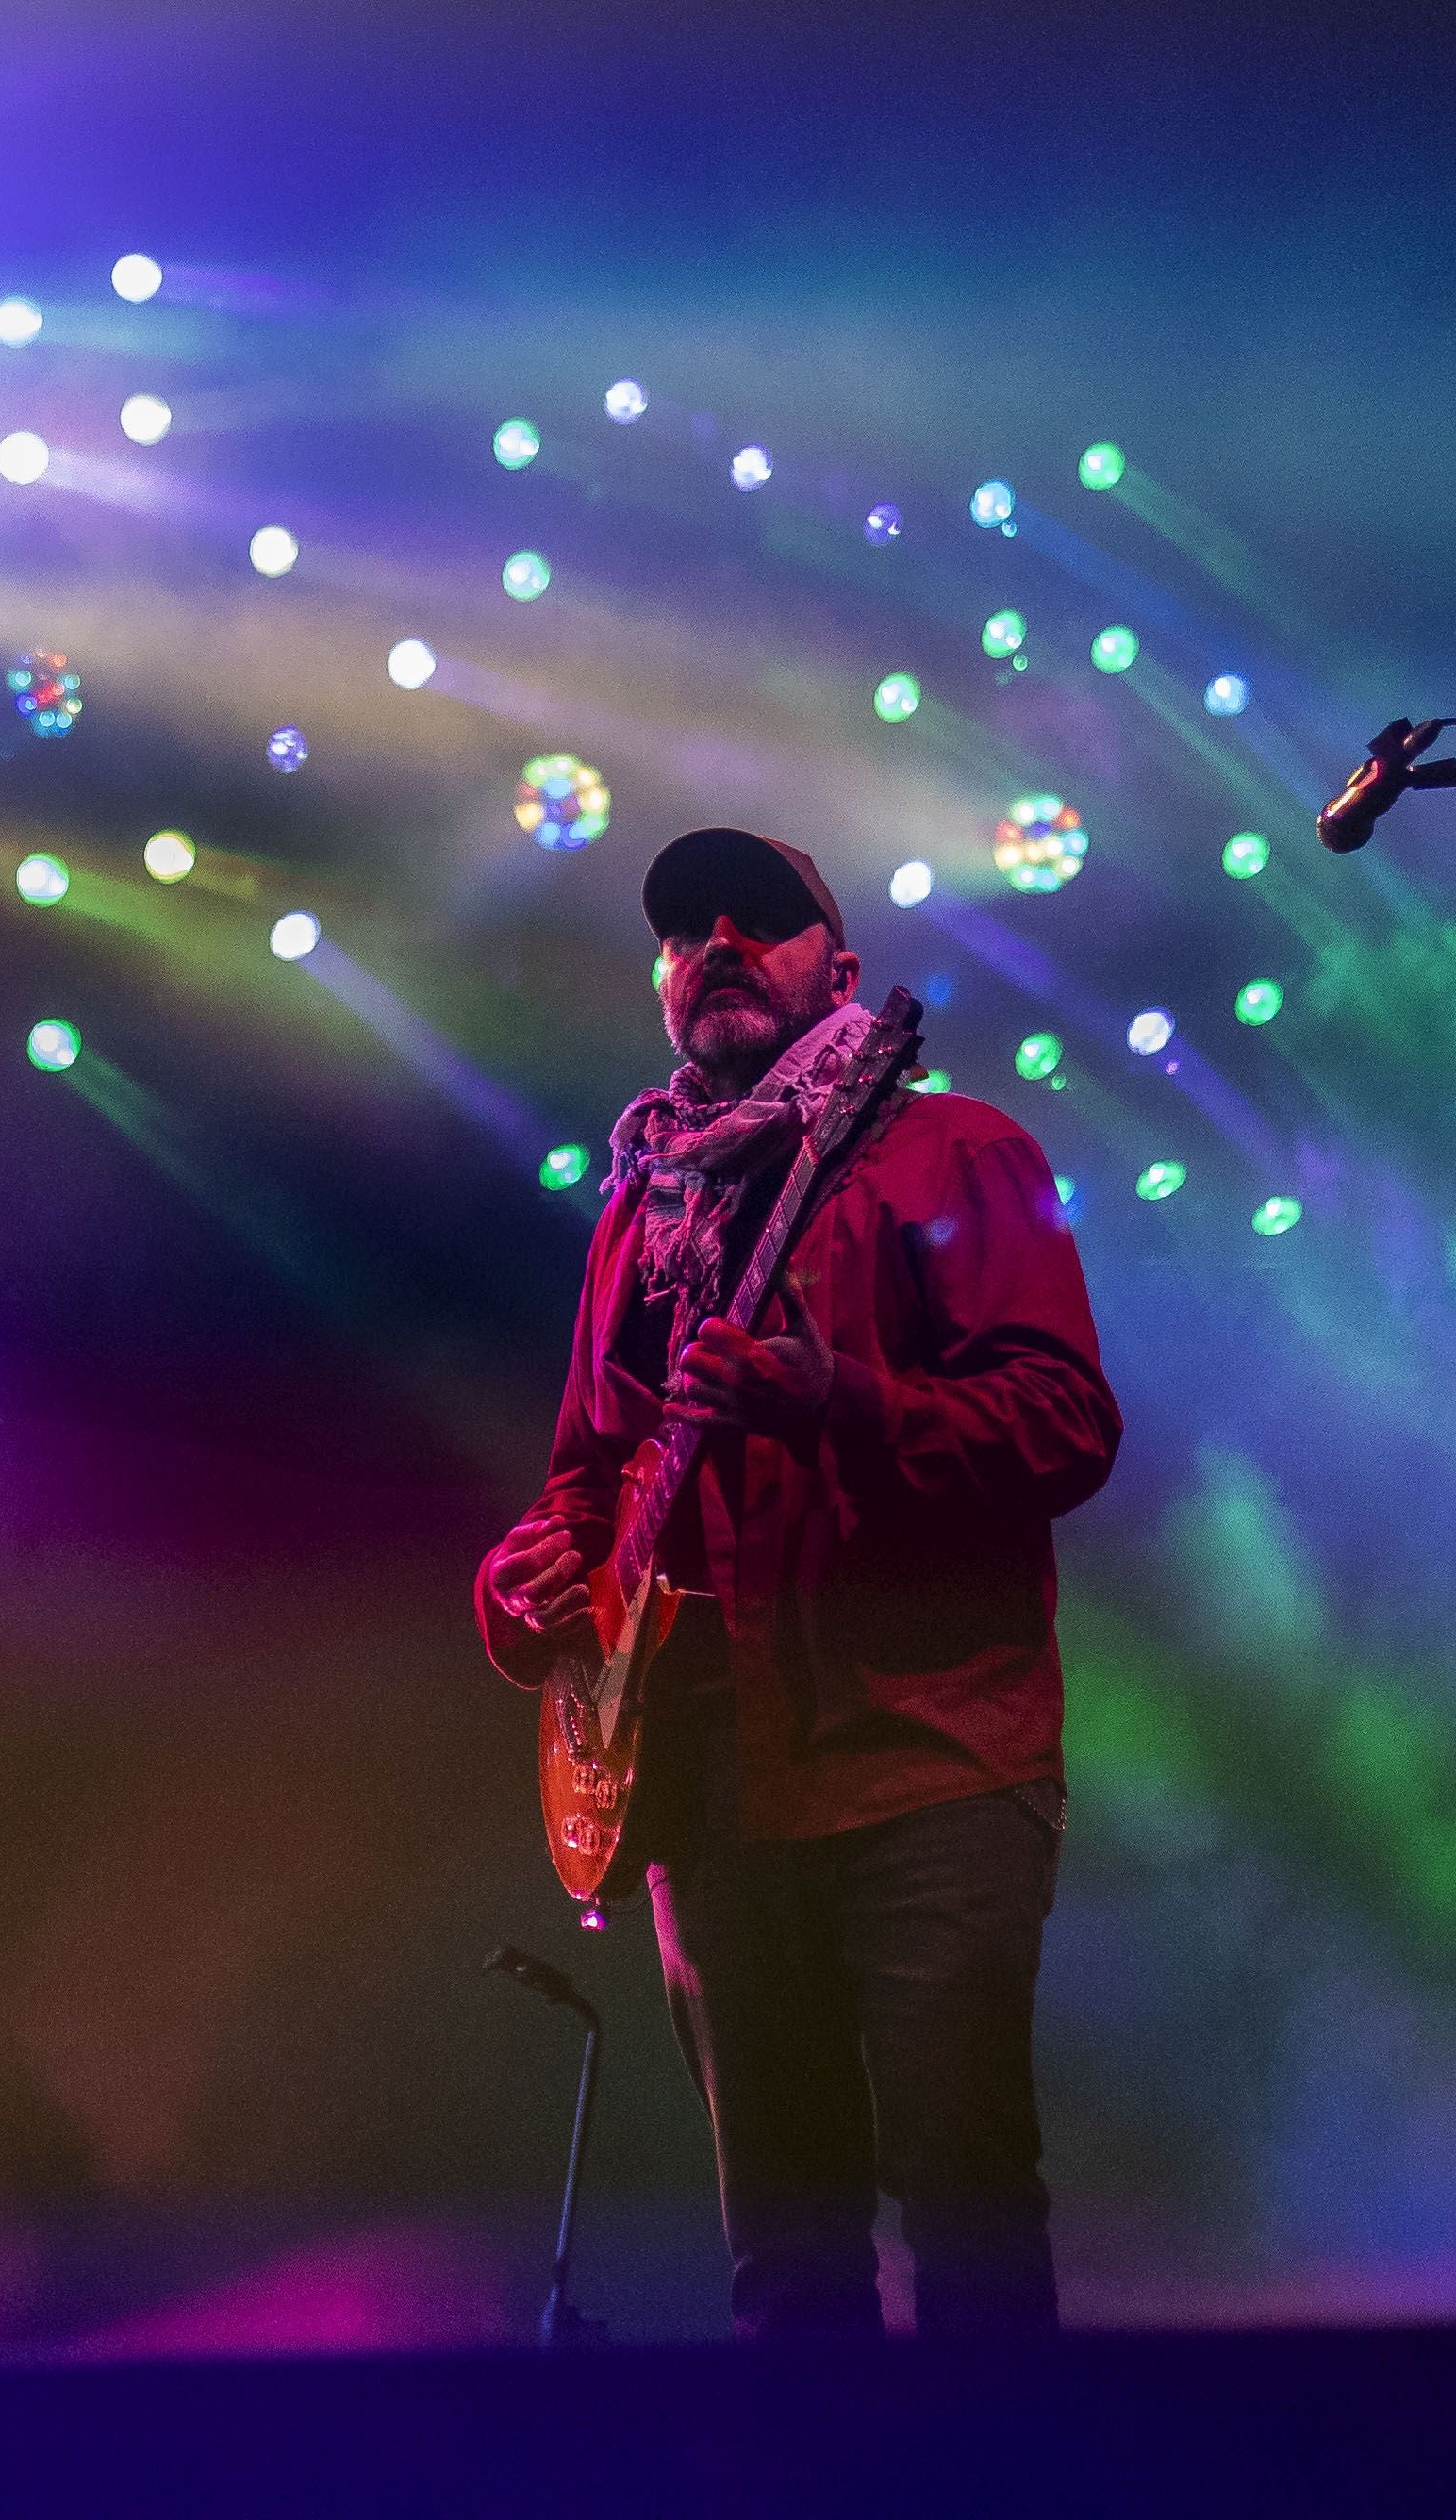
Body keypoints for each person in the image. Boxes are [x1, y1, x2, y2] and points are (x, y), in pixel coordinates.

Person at [477, 828, 1120, 2338]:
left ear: (840, 970)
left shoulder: (954, 1150)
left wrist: (839, 1403)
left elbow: (1066, 1425)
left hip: (930, 1764)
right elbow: (587, 1483)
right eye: (683, 930)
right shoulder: (641, 1214)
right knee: (784, 2253)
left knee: (967, 2211)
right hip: (707, 1789)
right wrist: (521, 1591)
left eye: (759, 920)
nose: (715, 941)